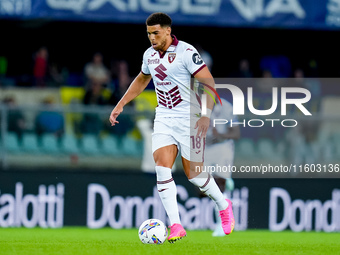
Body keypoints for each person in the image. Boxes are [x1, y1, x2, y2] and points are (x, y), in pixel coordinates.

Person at [109, 12, 235, 243]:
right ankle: (176, 224)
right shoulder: (149, 55)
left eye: (155, 33)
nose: (151, 38)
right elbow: (141, 79)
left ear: (168, 30)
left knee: (194, 175)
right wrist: (120, 104)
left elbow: (208, 81)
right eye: (148, 34)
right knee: (162, 167)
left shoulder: (186, 53)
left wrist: (206, 115)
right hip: (164, 117)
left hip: (190, 117)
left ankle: (222, 203)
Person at [204, 97, 240, 236]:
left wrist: (220, 135)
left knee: (219, 186)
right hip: (204, 148)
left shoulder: (226, 106)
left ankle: (222, 224)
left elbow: (236, 133)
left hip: (222, 147)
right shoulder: (193, 105)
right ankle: (227, 181)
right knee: (202, 190)